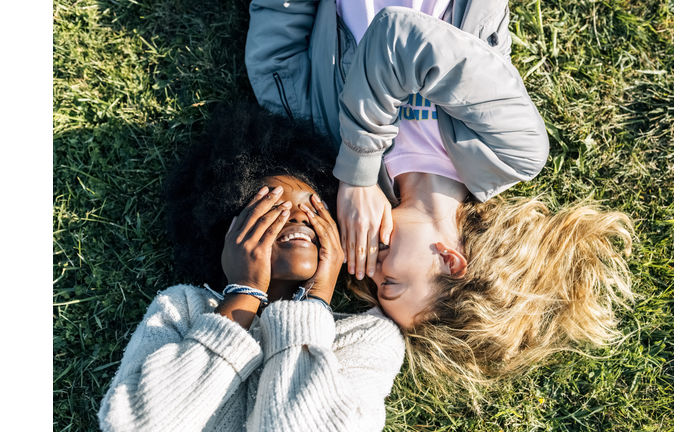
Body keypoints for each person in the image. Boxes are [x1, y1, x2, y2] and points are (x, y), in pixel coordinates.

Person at [246, 1, 634, 386]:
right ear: (451, 262)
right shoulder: (513, 151)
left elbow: (275, 57)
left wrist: (348, 170)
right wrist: (359, 172)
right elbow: (396, 34)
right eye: (391, 283)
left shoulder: (326, 151)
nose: (369, 268)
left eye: (376, 286)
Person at [98, 103, 405, 432]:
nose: (300, 216)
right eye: (273, 207)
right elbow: (133, 425)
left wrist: (315, 304)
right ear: (229, 231)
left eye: (315, 207)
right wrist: (245, 292)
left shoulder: (367, 340)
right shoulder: (180, 310)